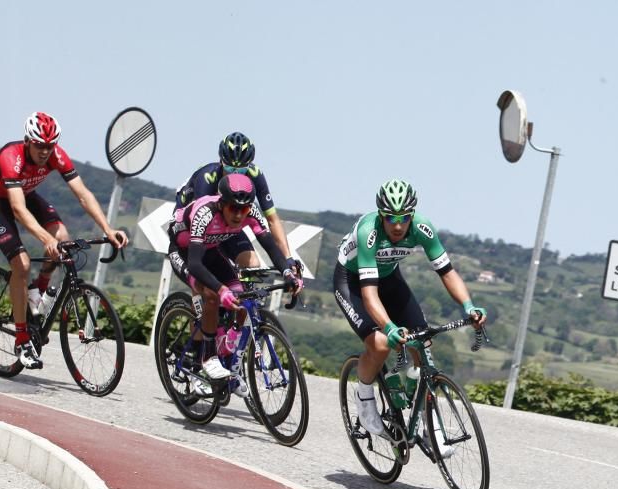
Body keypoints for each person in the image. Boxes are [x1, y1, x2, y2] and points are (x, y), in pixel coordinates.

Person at [333, 178, 487, 442]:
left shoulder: (422, 228)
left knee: (423, 342)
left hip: (390, 278)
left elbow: (447, 273)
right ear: (381, 214)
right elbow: (369, 295)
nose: (397, 224)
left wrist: (468, 306)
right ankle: (364, 398)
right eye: (390, 217)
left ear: (412, 214)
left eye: (403, 217)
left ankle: (428, 419)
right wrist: (390, 328)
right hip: (353, 282)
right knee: (381, 345)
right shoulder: (368, 233)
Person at [0, 112, 129, 369]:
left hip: (26, 194)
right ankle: (22, 339)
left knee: (64, 239)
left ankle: (37, 293)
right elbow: (17, 208)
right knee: (22, 264)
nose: (46, 151)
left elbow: (83, 194)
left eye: (50, 145)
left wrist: (108, 228)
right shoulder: (10, 156)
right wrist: (45, 238)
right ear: (28, 141)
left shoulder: (57, 155)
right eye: (40, 146)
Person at [167, 173, 303, 397]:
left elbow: (269, 245)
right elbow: (195, 264)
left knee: (243, 297)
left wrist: (288, 273)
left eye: (245, 209)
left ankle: (229, 354)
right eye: (233, 209)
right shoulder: (205, 212)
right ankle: (207, 359)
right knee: (211, 295)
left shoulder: (250, 211)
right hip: (185, 253)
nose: (239, 215)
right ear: (221, 203)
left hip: (211, 250)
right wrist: (221, 290)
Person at [175, 131, 301, 277]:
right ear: (221, 161)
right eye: (229, 168)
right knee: (207, 276)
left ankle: (242, 297)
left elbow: (272, 219)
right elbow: (202, 226)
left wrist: (288, 258)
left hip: (226, 219)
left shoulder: (255, 174)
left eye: (241, 169)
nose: (235, 173)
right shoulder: (207, 178)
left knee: (252, 264)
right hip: (190, 222)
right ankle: (199, 298)